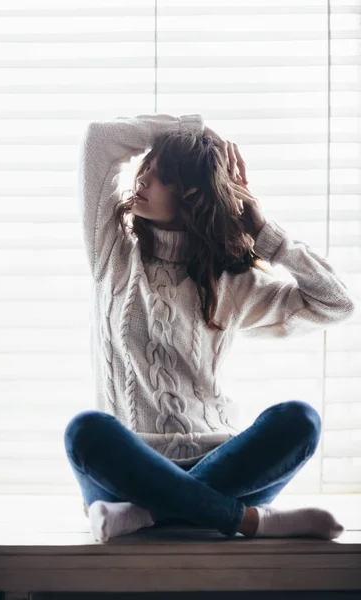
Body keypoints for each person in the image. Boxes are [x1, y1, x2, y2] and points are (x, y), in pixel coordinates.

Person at [64, 114, 355, 543]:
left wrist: (265, 233)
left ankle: (146, 514)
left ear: (192, 194)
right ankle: (250, 521)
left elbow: (336, 303)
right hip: (130, 469)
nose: (142, 179)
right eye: (145, 167)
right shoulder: (113, 254)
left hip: (224, 462)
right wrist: (196, 130)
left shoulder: (232, 282)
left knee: (300, 420)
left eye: (161, 176)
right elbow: (99, 138)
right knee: (86, 430)